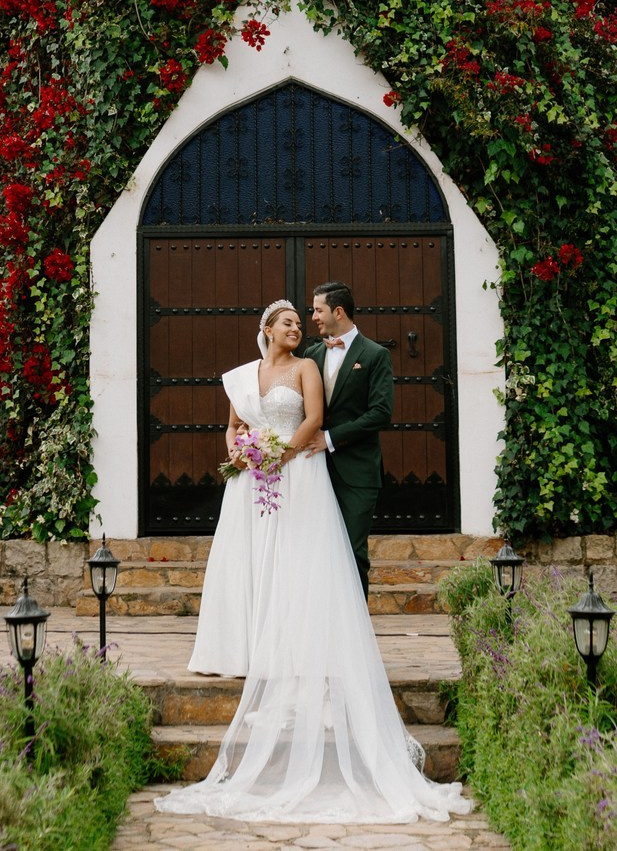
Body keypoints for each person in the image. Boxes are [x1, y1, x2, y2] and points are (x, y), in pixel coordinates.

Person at [159, 300, 470, 825]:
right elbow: (233, 425)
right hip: (250, 483)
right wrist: (240, 452)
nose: (297, 327)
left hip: (296, 473)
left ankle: (291, 647)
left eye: (301, 322)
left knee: (294, 561)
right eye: (288, 322)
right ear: (266, 329)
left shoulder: (306, 367)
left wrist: (278, 454)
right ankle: (240, 648)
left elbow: (315, 420)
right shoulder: (244, 375)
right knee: (247, 561)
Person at [304, 281, 391, 593]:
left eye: (318, 310)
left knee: (353, 554)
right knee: (317, 553)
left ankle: (357, 624)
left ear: (338, 312)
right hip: (314, 471)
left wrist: (329, 438)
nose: (313, 316)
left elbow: (380, 413)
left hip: (357, 472)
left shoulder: (375, 354)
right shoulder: (311, 355)